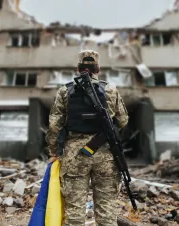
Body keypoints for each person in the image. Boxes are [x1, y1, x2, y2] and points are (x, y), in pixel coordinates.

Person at [46, 50, 129, 226]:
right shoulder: (110, 90)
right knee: (107, 211)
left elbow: (54, 125)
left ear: (78, 68)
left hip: (74, 155)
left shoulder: (65, 91)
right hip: (106, 154)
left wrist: (53, 152)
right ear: (97, 69)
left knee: (75, 211)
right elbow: (122, 121)